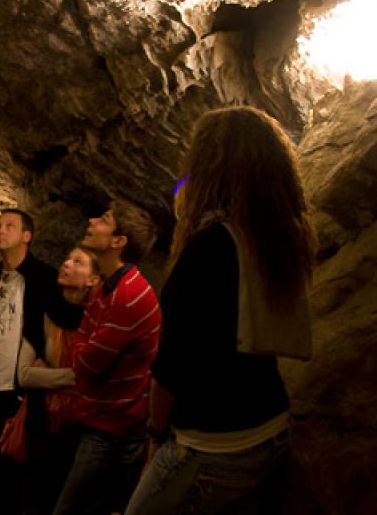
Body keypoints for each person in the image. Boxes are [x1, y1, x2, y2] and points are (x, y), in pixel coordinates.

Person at [125, 106, 316, 514]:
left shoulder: (209, 247)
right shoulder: (276, 239)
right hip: (270, 422)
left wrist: (156, 434)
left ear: (210, 166)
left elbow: (172, 366)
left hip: (215, 444)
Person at [0, 208, 83, 514]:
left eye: (10, 226)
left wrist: (44, 359)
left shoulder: (43, 278)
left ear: (26, 236)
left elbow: (61, 323)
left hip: (26, 386)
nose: (0, 231)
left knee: (24, 465)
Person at [53, 199, 161, 515]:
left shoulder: (128, 297)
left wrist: (82, 347)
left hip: (113, 429)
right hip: (100, 420)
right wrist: (83, 346)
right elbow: (84, 338)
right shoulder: (108, 288)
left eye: (104, 219)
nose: (92, 221)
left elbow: (86, 365)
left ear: (118, 241)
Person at [16, 246, 101, 515]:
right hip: (42, 421)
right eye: (67, 258)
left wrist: (49, 374)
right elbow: (25, 375)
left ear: (93, 279)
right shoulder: (44, 312)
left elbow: (98, 380)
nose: (66, 264)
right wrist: (72, 376)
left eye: (78, 262)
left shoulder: (99, 320)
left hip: (84, 426)